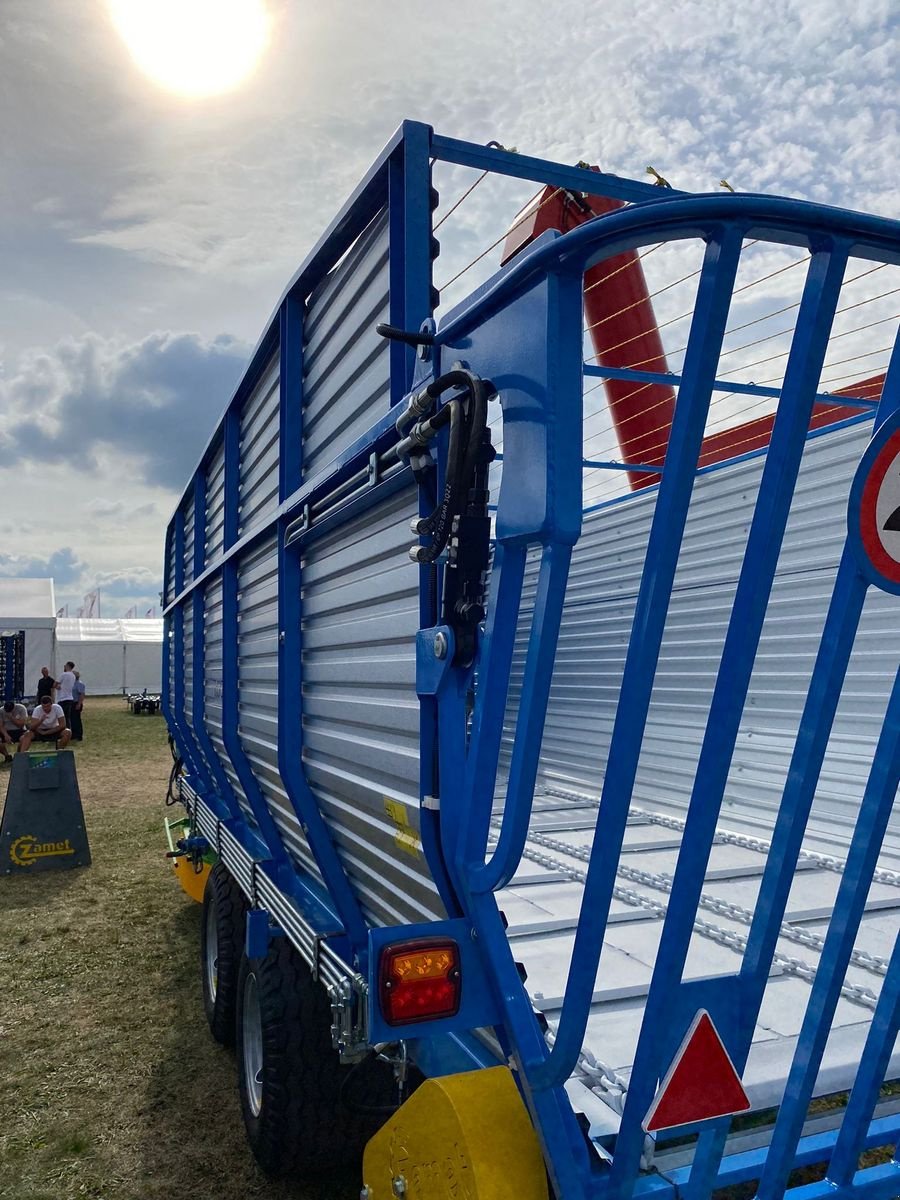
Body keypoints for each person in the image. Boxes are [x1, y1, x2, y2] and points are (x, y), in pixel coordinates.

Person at [57, 660, 76, 727]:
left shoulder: (63, 674)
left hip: (62, 698)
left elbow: (55, 684)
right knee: (67, 717)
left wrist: (57, 686)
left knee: (61, 716)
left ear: (68, 666)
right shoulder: (73, 676)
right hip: (70, 698)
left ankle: (62, 729)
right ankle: (68, 729)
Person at [70, 671, 86, 742]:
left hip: (76, 703)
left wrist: (79, 704)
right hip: (71, 703)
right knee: (71, 720)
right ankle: (73, 734)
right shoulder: (71, 683)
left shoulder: (79, 684)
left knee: (76, 720)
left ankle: (79, 735)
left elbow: (81, 695)